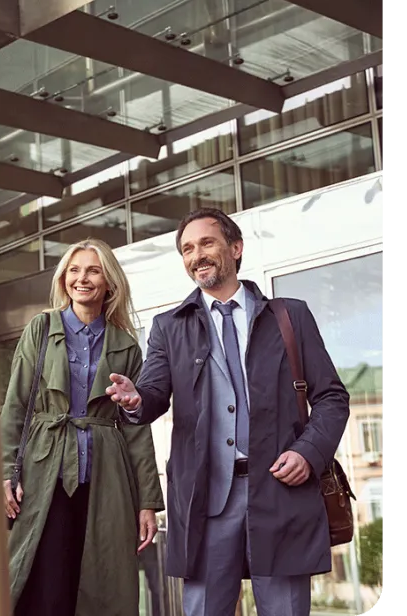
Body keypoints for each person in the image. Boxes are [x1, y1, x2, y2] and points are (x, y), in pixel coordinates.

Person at [105, 208, 350, 616]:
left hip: (281, 491)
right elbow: (152, 395)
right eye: (186, 248)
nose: (196, 255)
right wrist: (134, 400)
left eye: (206, 243)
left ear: (235, 249)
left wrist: (309, 452)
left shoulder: (290, 316)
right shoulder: (169, 326)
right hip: (206, 498)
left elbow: (332, 397)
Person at [0, 238, 164, 616]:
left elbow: (136, 428)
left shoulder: (126, 344)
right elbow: (15, 406)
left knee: (101, 584)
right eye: (74, 270)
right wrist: (5, 473)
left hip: (106, 476)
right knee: (47, 583)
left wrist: (148, 503)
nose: (82, 278)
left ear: (109, 281)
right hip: (46, 472)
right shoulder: (41, 328)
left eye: (92, 270)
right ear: (63, 280)